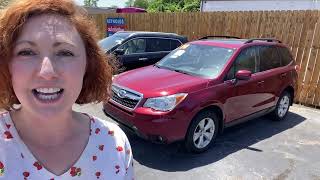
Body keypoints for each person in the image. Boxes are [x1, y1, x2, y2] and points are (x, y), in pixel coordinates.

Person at [0, 0, 134, 179]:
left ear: (88, 65)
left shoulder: (114, 142)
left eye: (65, 53)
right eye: (26, 52)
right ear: (6, 65)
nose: (47, 72)